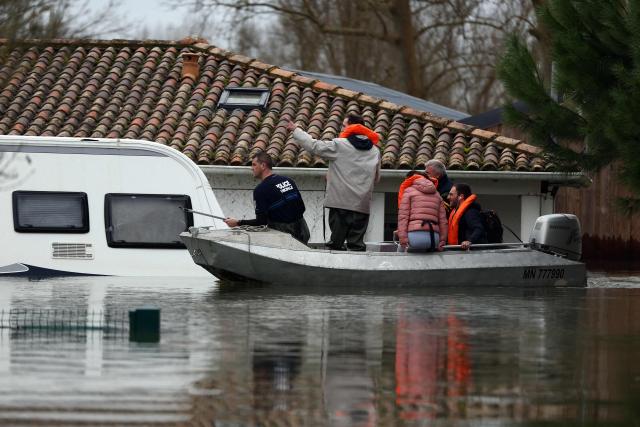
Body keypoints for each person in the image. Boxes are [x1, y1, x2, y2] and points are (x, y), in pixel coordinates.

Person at [286, 114, 381, 251]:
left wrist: (296, 130)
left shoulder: (340, 145)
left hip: (340, 204)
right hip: (362, 206)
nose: (341, 129)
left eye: (343, 126)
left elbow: (314, 146)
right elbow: (376, 179)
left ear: (351, 127)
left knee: (336, 246)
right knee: (357, 247)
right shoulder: (375, 151)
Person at [224, 151, 310, 244]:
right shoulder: (288, 180)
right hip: (303, 232)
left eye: (254, 165)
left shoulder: (261, 190)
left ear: (263, 165)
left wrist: (238, 223)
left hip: (285, 240)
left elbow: (261, 222)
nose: (251, 168)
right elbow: (302, 207)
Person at [397, 172, 448, 252]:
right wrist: (442, 240)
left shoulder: (408, 191)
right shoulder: (437, 195)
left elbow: (403, 217)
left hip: (415, 236)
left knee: (401, 256)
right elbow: (443, 221)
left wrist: (402, 238)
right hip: (434, 238)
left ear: (410, 179)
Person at [447, 183, 487, 250]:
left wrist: (469, 241)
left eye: (451, 194)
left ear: (461, 196)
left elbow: (478, 228)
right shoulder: (456, 211)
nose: (448, 197)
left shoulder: (470, 211)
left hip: (471, 253)